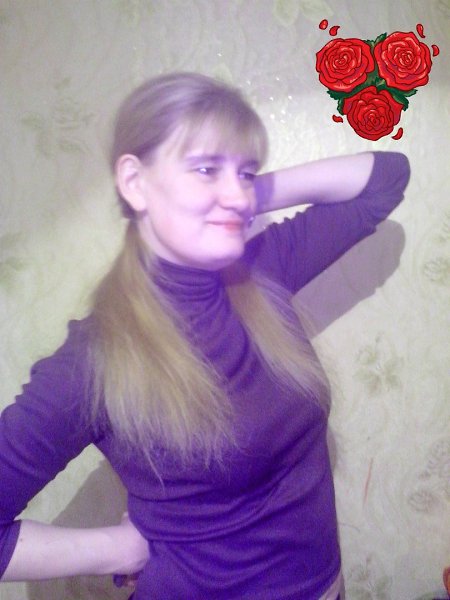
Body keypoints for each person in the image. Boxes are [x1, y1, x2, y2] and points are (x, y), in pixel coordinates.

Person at [0, 72, 410, 599]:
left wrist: (240, 197)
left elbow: (385, 180)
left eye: (245, 172)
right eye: (205, 168)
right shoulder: (97, 359)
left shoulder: (262, 272)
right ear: (135, 182)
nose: (236, 193)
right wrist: (117, 548)